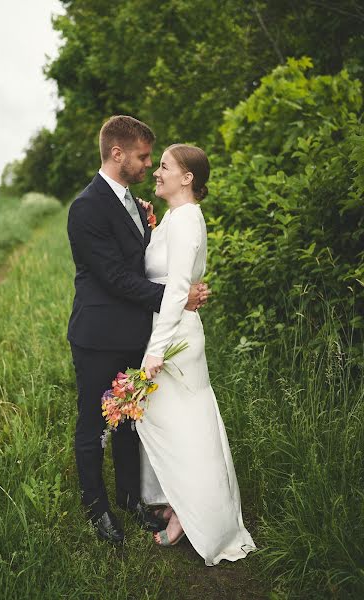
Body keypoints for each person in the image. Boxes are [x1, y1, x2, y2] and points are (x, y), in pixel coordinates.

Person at [67, 116, 208, 544]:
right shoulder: (86, 207)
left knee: (129, 422)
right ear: (117, 154)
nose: (149, 164)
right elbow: (114, 278)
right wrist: (174, 298)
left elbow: (147, 258)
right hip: (96, 335)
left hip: (134, 334)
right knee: (94, 423)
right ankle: (98, 509)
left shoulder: (134, 203)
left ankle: (130, 498)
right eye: (144, 157)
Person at [136, 144, 256, 566]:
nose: (157, 172)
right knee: (169, 423)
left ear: (187, 177)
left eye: (164, 166)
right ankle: (176, 501)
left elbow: (176, 290)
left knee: (186, 427)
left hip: (174, 341)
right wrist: (149, 224)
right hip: (166, 333)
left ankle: (195, 517)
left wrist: (156, 349)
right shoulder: (173, 217)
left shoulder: (187, 219)